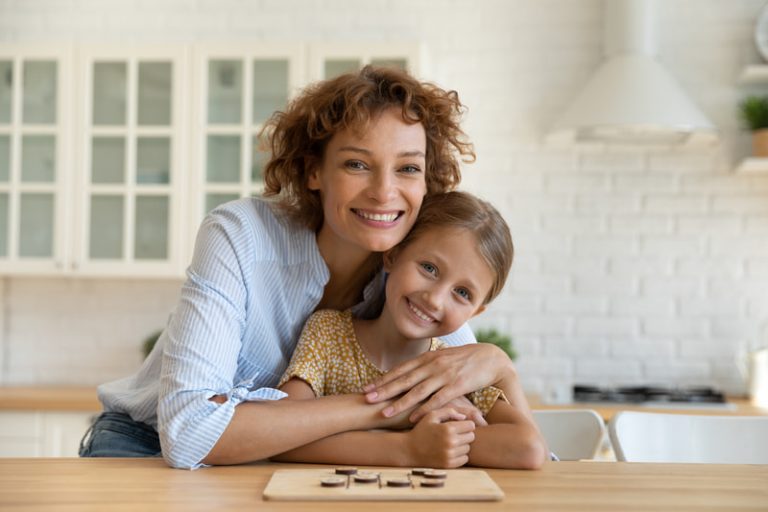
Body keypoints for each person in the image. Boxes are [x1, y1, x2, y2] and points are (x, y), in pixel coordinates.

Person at [80, 66, 522, 469]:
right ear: (314, 171)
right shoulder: (240, 236)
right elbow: (190, 434)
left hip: (267, 463)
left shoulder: (418, 268)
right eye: (357, 164)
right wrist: (387, 410)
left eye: (407, 168)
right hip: (142, 448)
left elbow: (490, 408)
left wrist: (497, 363)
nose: (385, 192)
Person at [274, 191, 548, 469]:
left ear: (474, 312)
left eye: (462, 293)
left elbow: (529, 450)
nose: (435, 299)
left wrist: (439, 443)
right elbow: (280, 431)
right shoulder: (329, 334)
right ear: (393, 255)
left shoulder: (457, 371)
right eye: (429, 268)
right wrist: (409, 446)